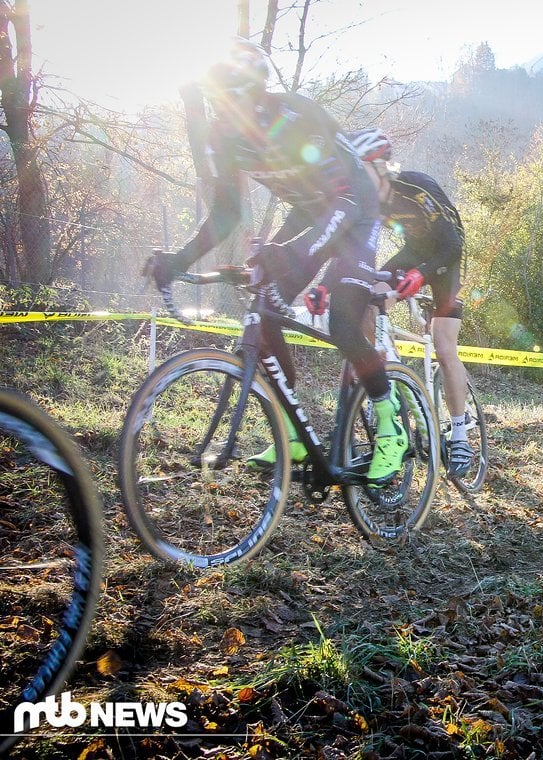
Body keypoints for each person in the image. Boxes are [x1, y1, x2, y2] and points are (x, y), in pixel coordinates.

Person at [146, 40, 405, 484]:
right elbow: (226, 212)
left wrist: (294, 252)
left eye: (237, 96)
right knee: (264, 300)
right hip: (309, 212)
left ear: (260, 91)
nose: (228, 110)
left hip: (355, 211)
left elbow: (345, 198)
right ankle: (294, 429)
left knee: (343, 323)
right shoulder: (223, 136)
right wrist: (179, 258)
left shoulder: (296, 117)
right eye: (219, 101)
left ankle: (390, 423)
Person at [346, 128, 475, 478]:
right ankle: (384, 377)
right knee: (366, 292)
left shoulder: (416, 187)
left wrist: (422, 274)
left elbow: (453, 243)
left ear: (381, 168)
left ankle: (461, 433)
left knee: (445, 346)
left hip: (446, 257)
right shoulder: (368, 202)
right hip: (414, 253)